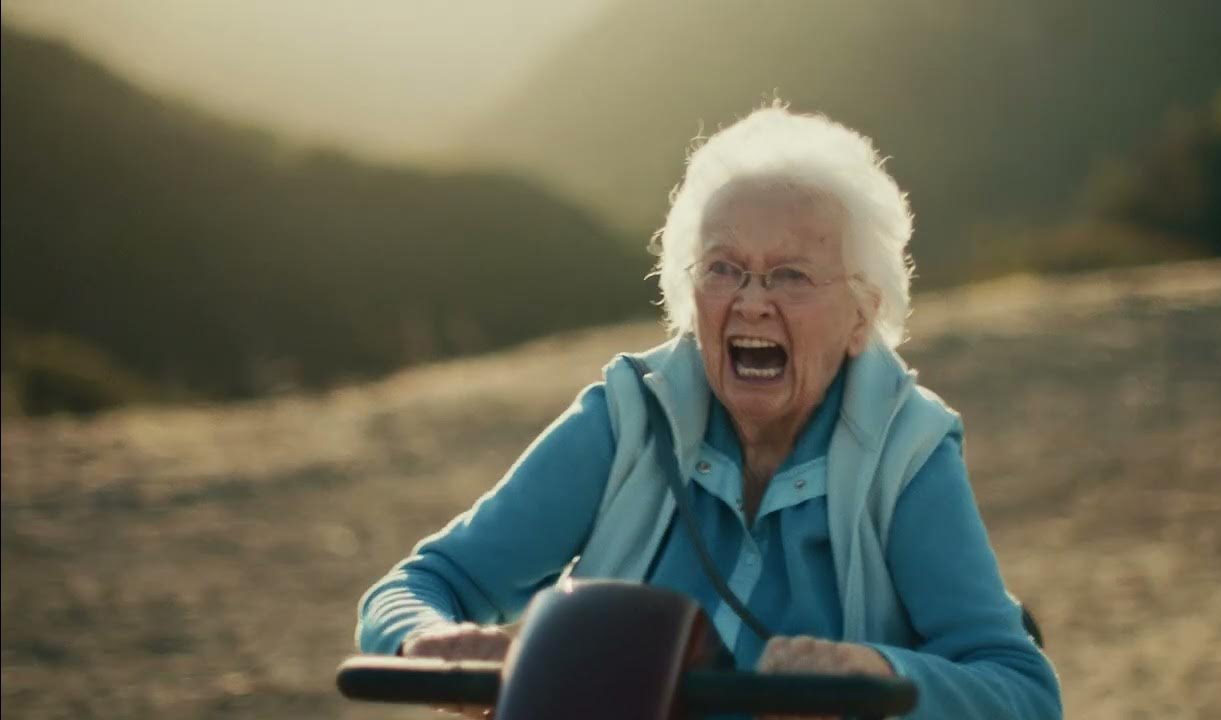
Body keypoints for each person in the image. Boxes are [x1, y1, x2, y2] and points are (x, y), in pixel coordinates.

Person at [355, 102, 1062, 719]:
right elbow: (422, 584)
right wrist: (429, 640)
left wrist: (880, 675)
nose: (751, 300)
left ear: (861, 316)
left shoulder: (907, 452)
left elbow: (1021, 691)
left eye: (790, 275)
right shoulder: (629, 416)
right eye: (724, 268)